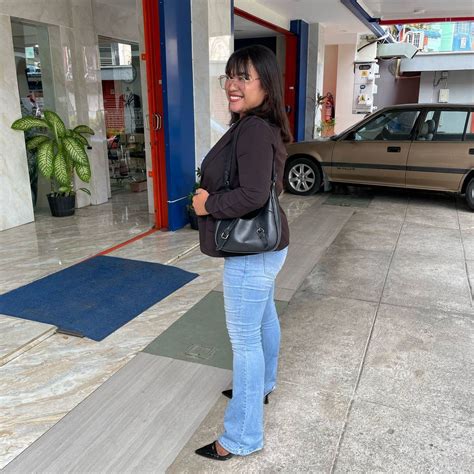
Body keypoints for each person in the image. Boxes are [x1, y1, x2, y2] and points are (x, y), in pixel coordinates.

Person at [192, 44, 292, 461]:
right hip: (267, 246)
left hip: (252, 252)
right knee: (264, 319)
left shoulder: (253, 129)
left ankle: (242, 437)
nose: (232, 85)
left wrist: (207, 205)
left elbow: (252, 194)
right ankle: (264, 384)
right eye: (229, 76)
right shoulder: (258, 125)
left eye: (243, 77)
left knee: (244, 339)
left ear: (265, 85)